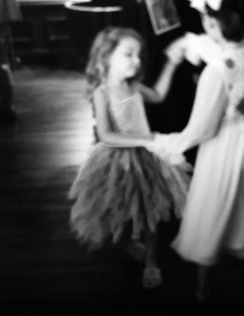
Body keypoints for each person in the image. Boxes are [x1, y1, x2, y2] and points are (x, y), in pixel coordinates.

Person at [150, 0, 244, 306]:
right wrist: (193, 42)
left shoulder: (215, 72)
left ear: (214, 21)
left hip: (226, 147)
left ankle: (203, 291)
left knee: (212, 210)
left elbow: (200, 129)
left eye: (204, 18)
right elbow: (221, 52)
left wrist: (168, 144)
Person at [68, 26, 191, 289]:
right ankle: (129, 243)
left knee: (150, 212)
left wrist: (171, 64)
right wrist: (145, 139)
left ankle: (151, 261)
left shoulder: (133, 85)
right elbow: (105, 135)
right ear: (106, 57)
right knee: (115, 210)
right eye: (128, 54)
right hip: (117, 162)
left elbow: (158, 95)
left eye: (138, 54)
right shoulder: (103, 93)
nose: (136, 60)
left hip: (147, 158)